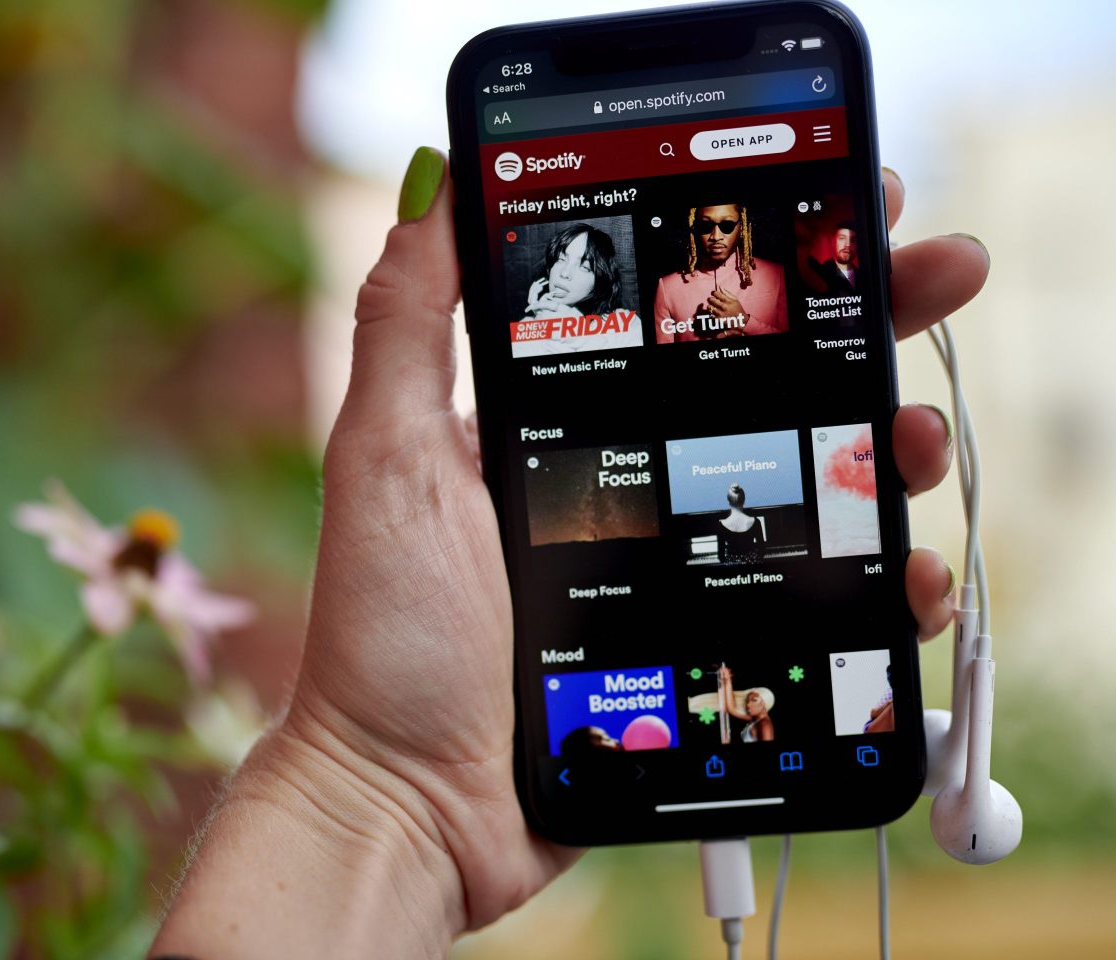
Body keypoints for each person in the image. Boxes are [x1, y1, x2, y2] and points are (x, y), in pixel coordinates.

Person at [148, 147, 987, 960]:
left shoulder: (776, 285)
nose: (718, 236)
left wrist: (389, 799)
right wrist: (390, 783)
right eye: (564, 254)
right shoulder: (645, 297)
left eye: (588, 259)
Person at [652, 203, 788, 343]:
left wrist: (745, 323)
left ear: (741, 227)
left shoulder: (776, 275)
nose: (716, 236)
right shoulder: (667, 288)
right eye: (705, 225)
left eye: (727, 225)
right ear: (695, 228)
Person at [514, 222, 641, 356]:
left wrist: (580, 335)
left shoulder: (624, 323)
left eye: (584, 267)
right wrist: (541, 321)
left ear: (600, 281)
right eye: (561, 259)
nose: (564, 273)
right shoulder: (526, 329)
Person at [719, 665, 776, 743]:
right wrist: (728, 680)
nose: (748, 705)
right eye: (748, 701)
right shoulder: (755, 719)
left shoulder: (765, 725)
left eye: (754, 700)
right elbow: (731, 709)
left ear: (764, 704)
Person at [717, 483, 766, 564]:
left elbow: (721, 556)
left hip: (731, 567)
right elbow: (762, 550)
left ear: (729, 502)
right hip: (751, 565)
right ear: (743, 500)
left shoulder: (721, 525)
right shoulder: (755, 521)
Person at [813, 220, 860, 293]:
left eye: (853, 240)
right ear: (833, 241)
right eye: (842, 238)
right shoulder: (818, 274)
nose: (848, 244)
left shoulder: (865, 276)